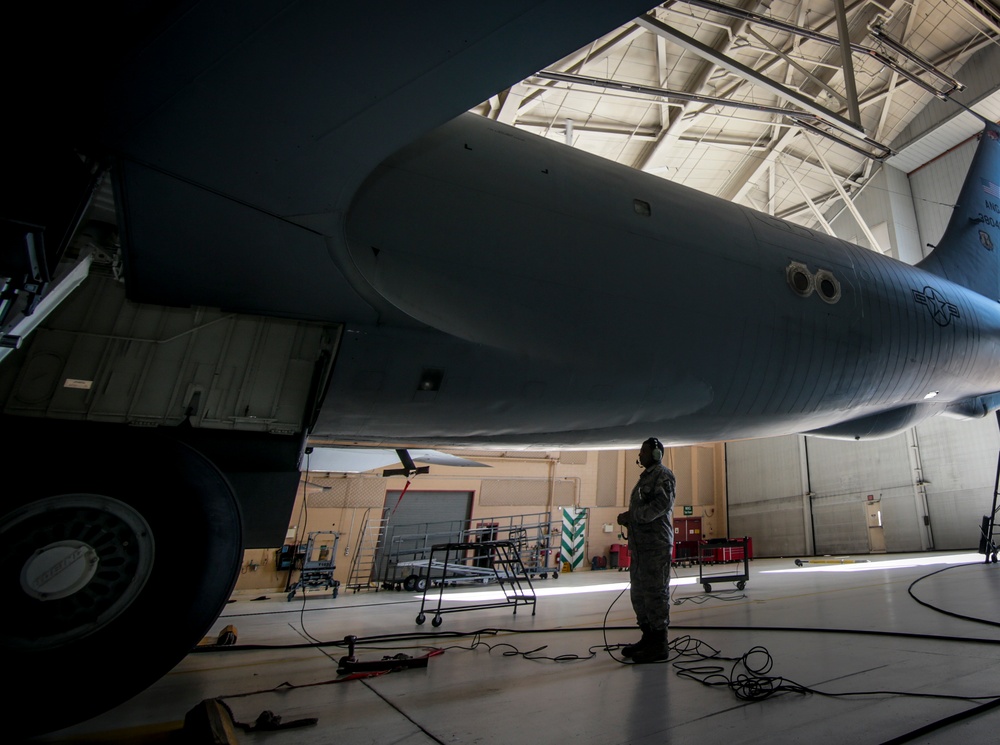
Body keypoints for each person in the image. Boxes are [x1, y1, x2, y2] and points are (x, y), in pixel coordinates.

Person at [616, 436, 676, 663]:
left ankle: (659, 644)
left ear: (656, 454)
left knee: (655, 593)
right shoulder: (644, 479)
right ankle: (648, 636)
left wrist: (634, 516)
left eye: (643, 451)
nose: (639, 455)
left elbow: (662, 506)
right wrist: (629, 519)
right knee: (640, 594)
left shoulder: (664, 475)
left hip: (656, 545)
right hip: (641, 548)